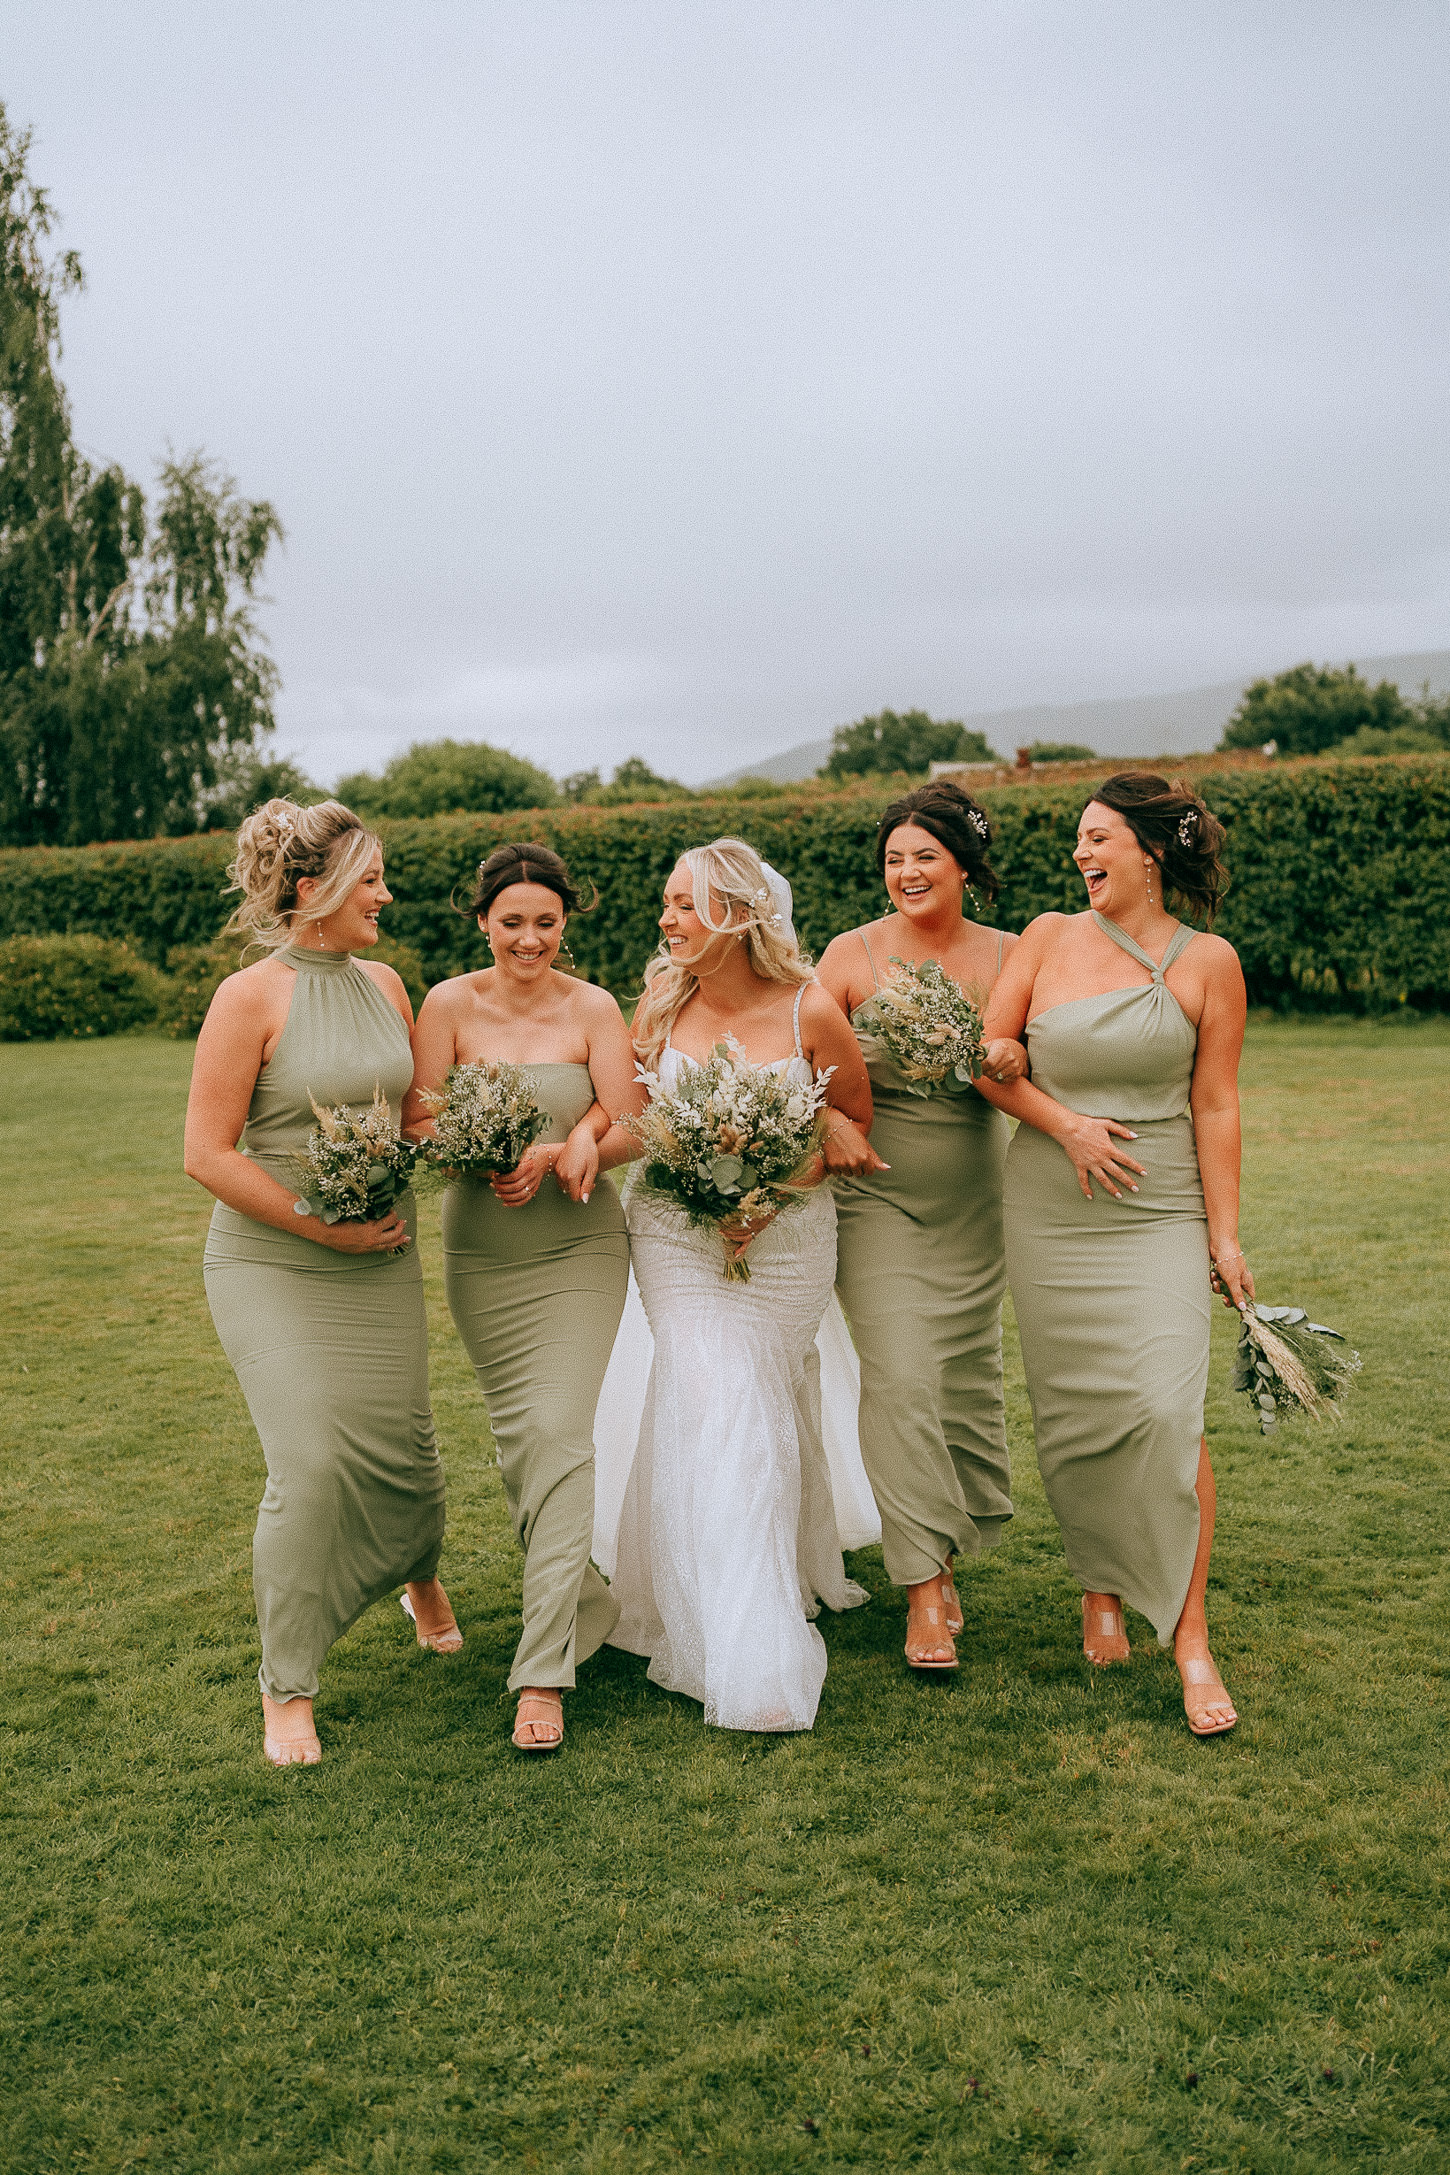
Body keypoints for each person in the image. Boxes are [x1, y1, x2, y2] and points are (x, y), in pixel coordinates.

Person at [184, 799, 453, 1770]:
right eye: (370, 878)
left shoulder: (385, 981)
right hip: (273, 1260)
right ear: (314, 891)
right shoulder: (247, 998)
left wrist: (506, 1135)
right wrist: (318, 1228)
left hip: (380, 1252)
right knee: (311, 1467)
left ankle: (417, 1572)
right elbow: (206, 1154)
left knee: (407, 1453)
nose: (385, 894)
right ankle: (286, 1688)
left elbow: (418, 1115)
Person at [979, 772, 1249, 1736]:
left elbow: (1215, 1102)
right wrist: (1063, 1120)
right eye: (1078, 842)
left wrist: (1222, 1232)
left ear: (1150, 851)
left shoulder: (1210, 961)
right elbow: (988, 1056)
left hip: (1159, 1206)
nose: (1083, 855)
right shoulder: (1047, 938)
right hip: (1055, 1202)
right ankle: (1100, 1584)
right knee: (1077, 1411)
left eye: (1099, 839)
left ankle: (1190, 1634)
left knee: (1163, 1410)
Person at [603, 838, 876, 1732]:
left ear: (736, 912)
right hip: (675, 1236)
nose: (668, 918)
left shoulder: (811, 1011)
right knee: (717, 1398)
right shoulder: (659, 1004)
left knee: (753, 1398)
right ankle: (746, 1645)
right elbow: (639, 1119)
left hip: (789, 1242)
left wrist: (771, 1190)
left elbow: (850, 1126)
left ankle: (768, 1572)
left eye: (684, 903)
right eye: (669, 901)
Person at [405, 843, 643, 1754]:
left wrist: (573, 1141)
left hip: (579, 1243)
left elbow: (633, 1120)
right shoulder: (447, 1005)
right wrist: (484, 1148)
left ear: (564, 924)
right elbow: (418, 1121)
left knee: (558, 1433)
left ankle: (542, 1673)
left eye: (546, 922)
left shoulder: (595, 1008)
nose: (530, 938)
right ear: (483, 923)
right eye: (513, 923)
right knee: (520, 1445)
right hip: (484, 1252)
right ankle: (581, 1598)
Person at [816, 780, 1027, 1673]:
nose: (905, 872)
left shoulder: (1015, 955)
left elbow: (1041, 1062)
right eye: (894, 858)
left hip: (978, 1204)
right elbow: (792, 1050)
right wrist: (828, 1120)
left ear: (966, 867)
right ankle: (923, 1585)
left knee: (960, 1384)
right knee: (900, 1377)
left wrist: (1015, 1053)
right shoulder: (852, 953)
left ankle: (946, 1534)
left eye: (924, 857)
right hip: (877, 1201)